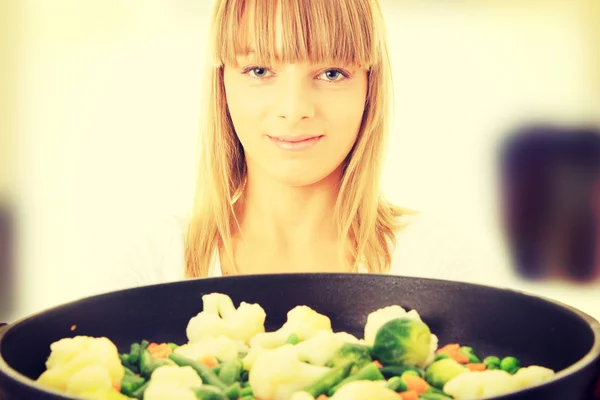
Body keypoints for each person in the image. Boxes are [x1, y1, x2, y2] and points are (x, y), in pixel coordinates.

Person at [95, 0, 506, 295]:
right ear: (223, 85)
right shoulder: (151, 267)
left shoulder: (445, 268)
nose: (294, 110)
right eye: (259, 70)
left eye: (331, 72)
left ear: (370, 88)